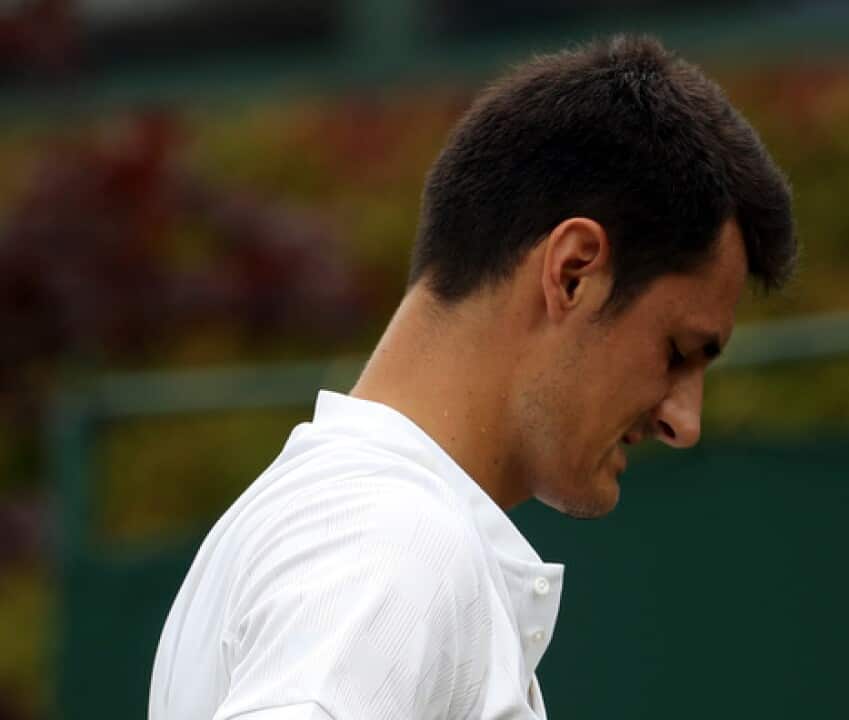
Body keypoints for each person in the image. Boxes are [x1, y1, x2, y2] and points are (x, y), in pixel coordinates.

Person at [148, 34, 796, 720]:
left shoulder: (322, 522)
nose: (683, 421)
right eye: (677, 351)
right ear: (573, 272)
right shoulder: (394, 542)